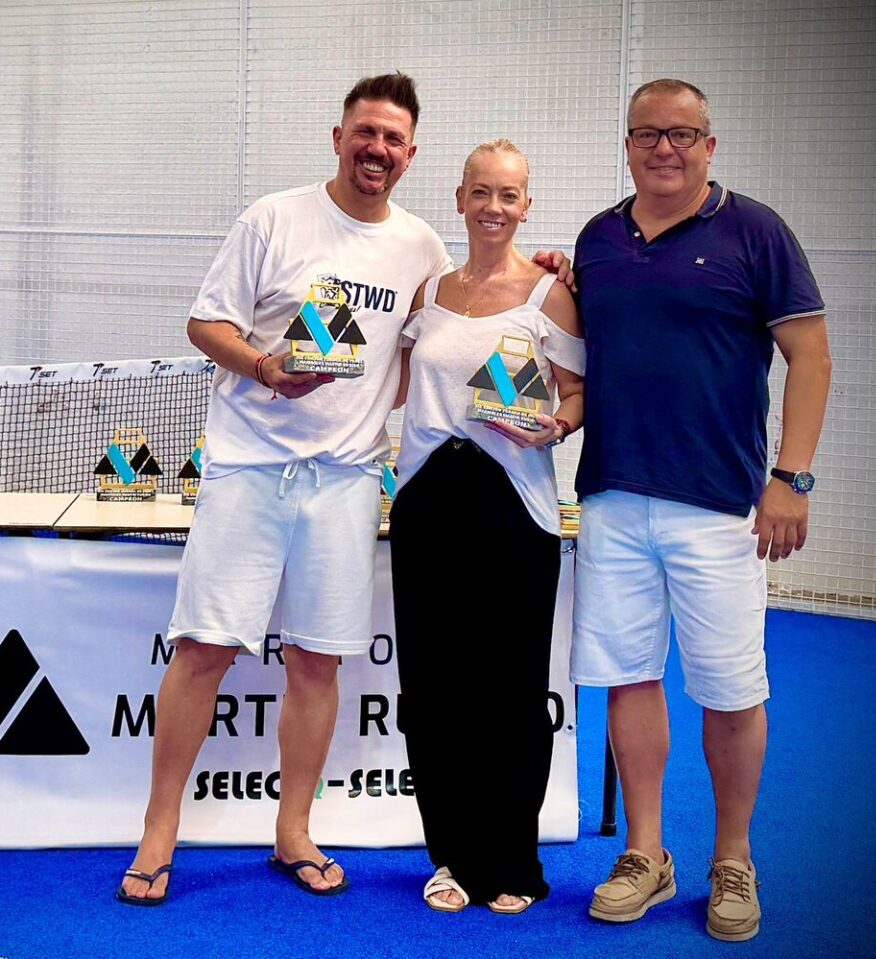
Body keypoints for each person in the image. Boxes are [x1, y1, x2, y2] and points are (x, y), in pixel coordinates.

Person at [115, 72, 453, 905]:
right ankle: (160, 832)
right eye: (365, 132)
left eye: (394, 139)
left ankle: (293, 830)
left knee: (315, 663)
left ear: (410, 154)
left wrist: (545, 269)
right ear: (338, 136)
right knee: (203, 652)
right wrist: (266, 367)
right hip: (247, 469)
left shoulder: (422, 249)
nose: (378, 149)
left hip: (344, 482)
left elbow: (460, 324)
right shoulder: (273, 218)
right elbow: (206, 323)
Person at [570, 79, 831, 942]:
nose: (665, 149)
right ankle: (647, 854)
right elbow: (572, 350)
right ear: (629, 144)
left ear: (709, 146)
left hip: (720, 509)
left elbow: (811, 354)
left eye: (684, 134)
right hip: (611, 497)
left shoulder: (757, 232)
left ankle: (733, 857)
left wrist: (791, 477)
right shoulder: (598, 241)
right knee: (633, 676)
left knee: (729, 686)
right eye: (648, 134)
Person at [389, 139, 584, 915]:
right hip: (428, 503)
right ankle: (451, 858)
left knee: (510, 689)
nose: (494, 207)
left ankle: (513, 860)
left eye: (510, 194)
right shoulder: (430, 292)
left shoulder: (550, 294)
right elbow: (393, 383)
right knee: (435, 690)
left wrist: (557, 425)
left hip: (517, 508)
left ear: (525, 205)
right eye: (482, 192)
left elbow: (577, 392)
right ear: (461, 198)